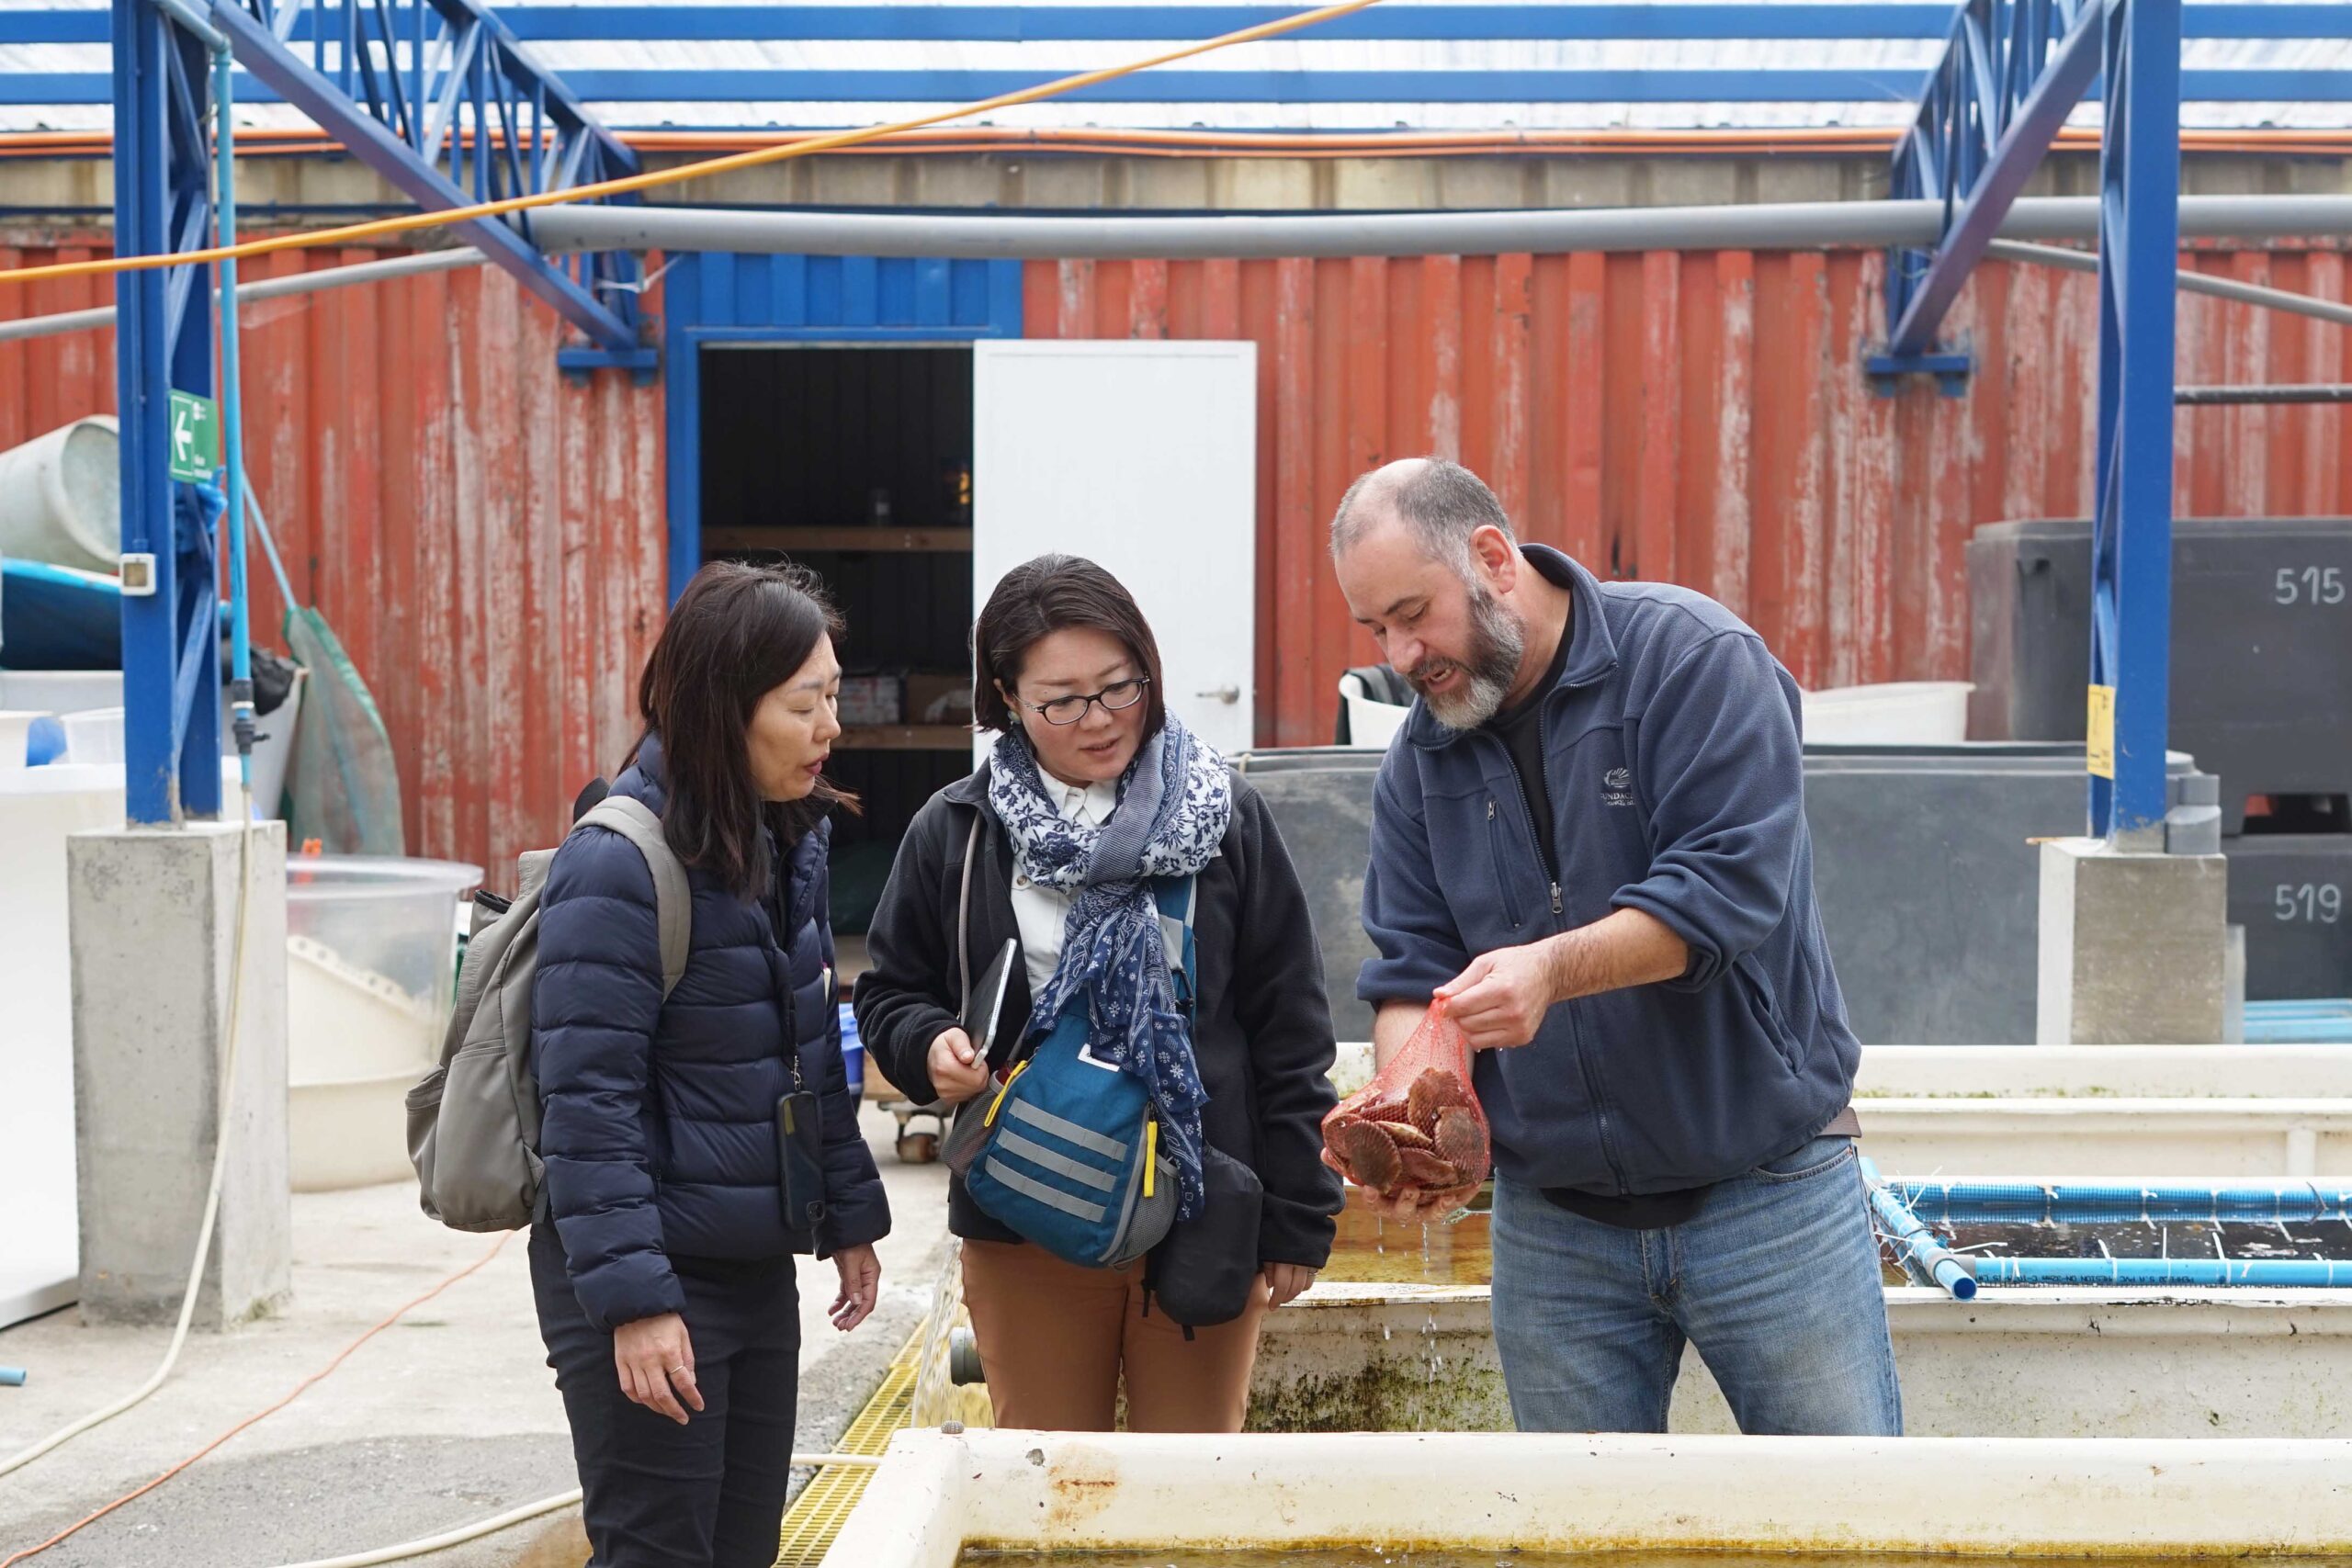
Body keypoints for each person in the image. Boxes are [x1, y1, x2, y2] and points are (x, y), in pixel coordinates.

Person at [1328, 457, 1899, 1438]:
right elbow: (1412, 971)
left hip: (1768, 1197)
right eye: (1376, 628)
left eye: (1414, 614)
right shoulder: (1418, 763)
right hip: (1555, 1229)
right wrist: (1410, 1121)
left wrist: (1550, 970)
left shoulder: (1692, 660)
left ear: (1493, 558)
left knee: (1843, 1510)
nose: (1401, 653)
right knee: (1577, 1519)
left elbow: (1727, 889)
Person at [855, 553, 1342, 1433]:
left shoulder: (1225, 817)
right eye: (1063, 700)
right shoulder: (960, 829)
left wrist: (1299, 1214)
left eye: (1120, 687)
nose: (1100, 718)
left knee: (1189, 1485)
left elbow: (1290, 1024)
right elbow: (890, 993)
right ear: (1007, 697)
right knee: (1049, 1480)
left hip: (1203, 1202)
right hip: (1028, 1206)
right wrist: (929, 1044)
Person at [531, 560, 889, 1567]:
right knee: (659, 1550)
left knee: (744, 1548)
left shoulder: (785, 843)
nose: (830, 728)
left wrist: (848, 1215)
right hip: (650, 1270)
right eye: (804, 704)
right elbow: (586, 1107)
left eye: (833, 698)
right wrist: (638, 1304)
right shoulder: (617, 863)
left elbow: (808, 1050)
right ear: (724, 708)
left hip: (749, 1261)